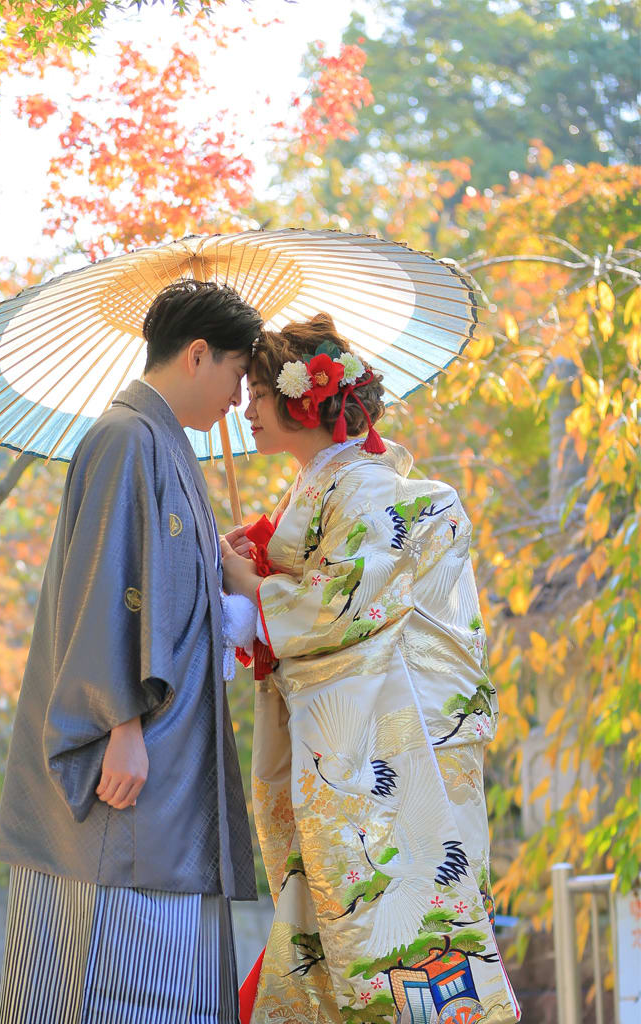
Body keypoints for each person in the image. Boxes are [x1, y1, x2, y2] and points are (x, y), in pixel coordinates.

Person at [221, 315, 520, 1024]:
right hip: (371, 732)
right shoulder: (332, 487)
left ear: (303, 400)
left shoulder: (369, 489)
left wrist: (250, 589)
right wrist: (254, 575)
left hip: (406, 739)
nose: (246, 409)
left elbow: (338, 606)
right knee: (339, 905)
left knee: (398, 905)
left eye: (260, 392)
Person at [0, 279, 261, 1024]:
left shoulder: (159, 443)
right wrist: (122, 726)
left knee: (159, 972)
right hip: (137, 749)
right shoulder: (124, 437)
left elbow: (160, 582)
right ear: (198, 355)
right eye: (238, 375)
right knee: (120, 973)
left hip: (165, 752)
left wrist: (213, 560)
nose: (239, 401)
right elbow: (102, 587)